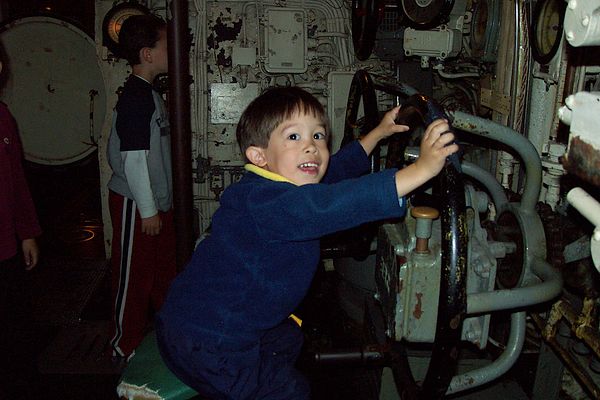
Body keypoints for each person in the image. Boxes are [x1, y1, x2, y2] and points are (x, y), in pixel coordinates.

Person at [156, 86, 458, 399]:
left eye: (318, 136)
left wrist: (378, 134)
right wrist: (421, 169)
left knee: (288, 339)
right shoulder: (268, 204)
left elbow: (335, 172)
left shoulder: (276, 182)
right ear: (259, 155)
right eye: (294, 137)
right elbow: (333, 203)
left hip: (199, 320)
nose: (311, 147)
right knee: (290, 391)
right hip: (208, 343)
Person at [106, 13, 176, 361]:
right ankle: (124, 344)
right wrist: (148, 210)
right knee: (133, 276)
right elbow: (133, 160)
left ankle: (168, 337)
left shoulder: (150, 94)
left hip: (153, 203)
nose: (172, 50)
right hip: (137, 203)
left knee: (163, 274)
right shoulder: (137, 96)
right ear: (148, 54)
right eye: (166, 44)